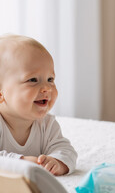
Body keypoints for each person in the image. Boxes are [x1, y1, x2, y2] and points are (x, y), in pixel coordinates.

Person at [0, 34, 77, 176]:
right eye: (33, 79)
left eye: (50, 79)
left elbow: (66, 150)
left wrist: (57, 162)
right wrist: (19, 162)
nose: (46, 88)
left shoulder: (47, 124)